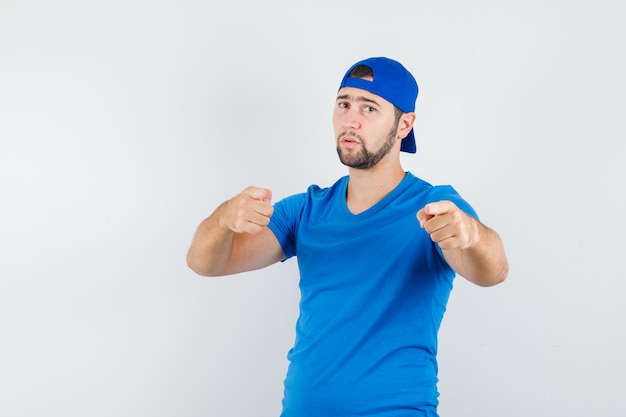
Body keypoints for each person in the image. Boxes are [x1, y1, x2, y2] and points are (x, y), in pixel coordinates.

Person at [186, 56, 508, 417]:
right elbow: (205, 263)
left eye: (369, 108)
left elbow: (492, 271)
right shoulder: (306, 210)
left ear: (405, 124)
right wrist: (224, 219)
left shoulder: (434, 207)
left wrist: (472, 235)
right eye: (344, 105)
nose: (350, 121)